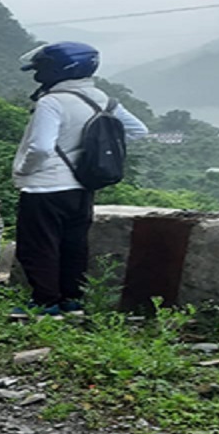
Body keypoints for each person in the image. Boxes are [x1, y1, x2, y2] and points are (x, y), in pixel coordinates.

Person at [11, 41, 148, 316]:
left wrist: (25, 170)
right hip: (81, 186)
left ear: (58, 70)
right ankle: (72, 300)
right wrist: (88, 153)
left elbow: (40, 147)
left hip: (44, 187)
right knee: (73, 245)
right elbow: (137, 130)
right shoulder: (104, 100)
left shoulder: (51, 101)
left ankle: (45, 302)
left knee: (38, 246)